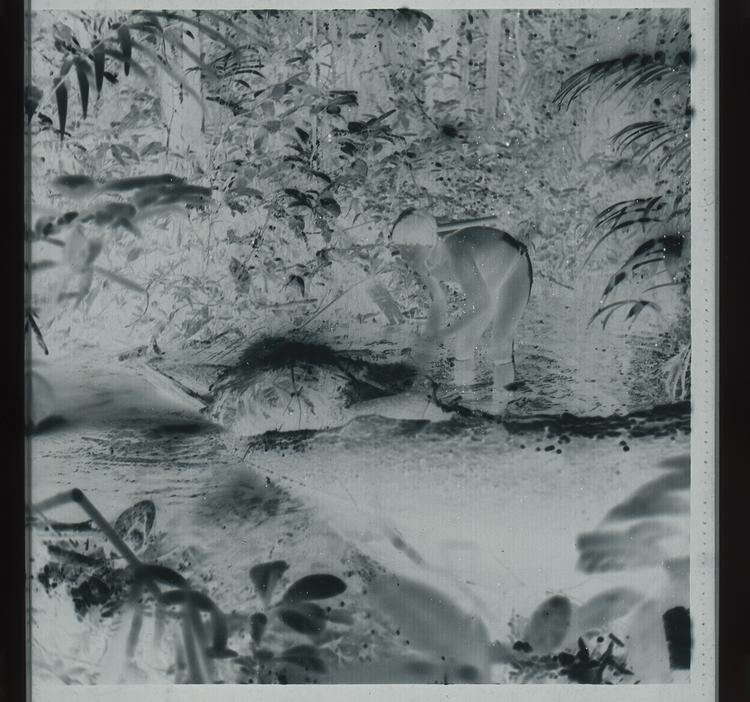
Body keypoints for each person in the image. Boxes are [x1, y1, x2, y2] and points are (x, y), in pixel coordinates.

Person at [388, 208, 532, 410]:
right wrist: (428, 339)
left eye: (410, 251)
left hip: (514, 267)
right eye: (401, 251)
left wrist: (445, 333)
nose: (406, 258)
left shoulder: (456, 252)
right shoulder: (422, 263)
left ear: (427, 244)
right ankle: (465, 404)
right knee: (462, 346)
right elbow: (439, 300)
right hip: (488, 278)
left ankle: (502, 410)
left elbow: (482, 303)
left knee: (500, 342)